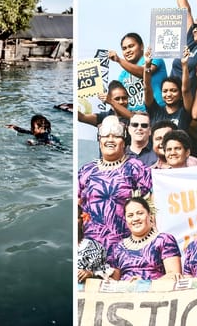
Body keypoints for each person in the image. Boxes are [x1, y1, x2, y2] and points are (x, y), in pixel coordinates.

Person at [78, 115, 152, 262]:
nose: (110, 140)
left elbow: (152, 201)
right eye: (105, 136)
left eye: (116, 136)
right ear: (99, 140)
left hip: (126, 247)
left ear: (124, 141)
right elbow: (76, 205)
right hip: (90, 248)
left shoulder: (135, 167)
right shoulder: (86, 170)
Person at [111, 197, 182, 281]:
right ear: (126, 220)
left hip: (157, 293)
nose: (135, 218)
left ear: (150, 216)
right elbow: (114, 282)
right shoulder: (119, 247)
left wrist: (144, 284)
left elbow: (174, 276)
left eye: (140, 213)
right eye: (130, 215)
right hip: (126, 293)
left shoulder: (164, 240)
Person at [108, 32, 167, 111]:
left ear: (141, 46)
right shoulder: (122, 75)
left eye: (131, 46)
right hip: (135, 118)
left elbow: (144, 72)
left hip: (157, 112)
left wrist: (118, 60)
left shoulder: (154, 58)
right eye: (124, 48)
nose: (127, 51)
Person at [143, 46, 192, 129]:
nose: (168, 94)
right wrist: (147, 65)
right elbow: (147, 87)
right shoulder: (155, 111)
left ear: (180, 95)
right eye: (165, 91)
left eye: (173, 90)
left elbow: (186, 90)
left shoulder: (184, 112)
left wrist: (184, 65)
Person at [78, 205, 112, 283]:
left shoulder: (97, 247)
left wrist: (91, 273)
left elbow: (107, 270)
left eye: (77, 218)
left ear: (83, 220)